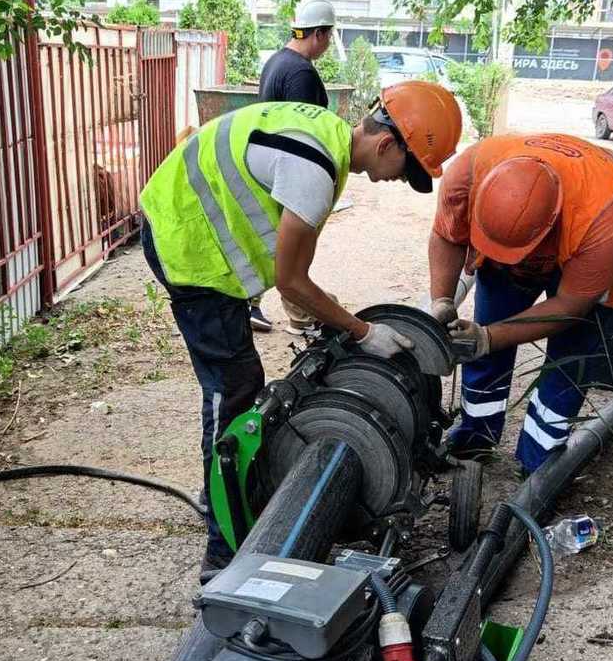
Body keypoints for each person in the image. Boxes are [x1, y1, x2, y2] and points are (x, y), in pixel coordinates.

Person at [140, 81, 462, 578]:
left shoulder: (326, 140)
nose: (400, 181)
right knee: (233, 389)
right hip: (185, 243)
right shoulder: (315, 169)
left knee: (242, 381)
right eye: (407, 171)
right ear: (386, 144)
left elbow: (296, 275)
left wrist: (333, 315)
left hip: (197, 234)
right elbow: (292, 282)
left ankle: (222, 490)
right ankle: (223, 550)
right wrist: (360, 332)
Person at [428, 133, 613, 477]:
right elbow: (447, 234)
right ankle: (476, 434)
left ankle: (540, 460)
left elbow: (570, 306)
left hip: (583, 260)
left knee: (567, 364)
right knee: (484, 343)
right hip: (520, 238)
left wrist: (489, 336)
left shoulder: (605, 217)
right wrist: (442, 301)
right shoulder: (469, 171)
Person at [247, 0, 337, 333]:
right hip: (289, 170)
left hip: (271, 164)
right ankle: (301, 316)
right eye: (328, 37)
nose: (327, 45)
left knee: (273, 241)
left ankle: (252, 304)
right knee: (292, 250)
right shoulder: (301, 71)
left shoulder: (276, 62)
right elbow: (304, 132)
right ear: (318, 34)